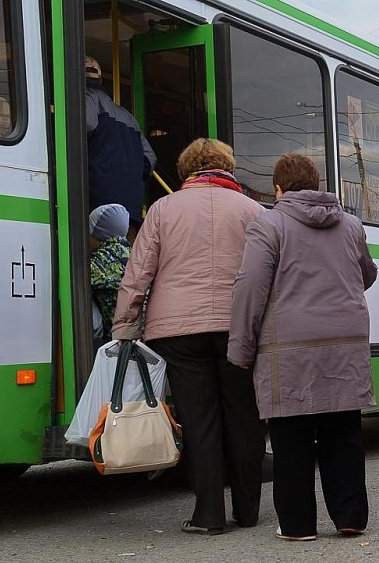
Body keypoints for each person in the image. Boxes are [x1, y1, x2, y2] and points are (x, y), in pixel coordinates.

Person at [112, 139, 267, 535]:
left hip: (179, 332)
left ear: (186, 171)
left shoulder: (164, 209)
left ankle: (208, 515)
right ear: (228, 166)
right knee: (245, 418)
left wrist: (126, 325)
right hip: (239, 329)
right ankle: (248, 511)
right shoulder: (253, 211)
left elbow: (138, 272)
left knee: (199, 422)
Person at [227, 154, 377, 541]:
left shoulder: (270, 223)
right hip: (344, 343)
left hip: (288, 347)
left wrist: (240, 350)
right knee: (343, 430)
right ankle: (350, 518)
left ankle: (297, 526)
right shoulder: (351, 225)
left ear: (278, 188)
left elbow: (250, 288)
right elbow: (367, 274)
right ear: (316, 184)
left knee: (291, 435)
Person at [85, 56, 157, 239]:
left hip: (99, 209)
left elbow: (84, 126)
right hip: (130, 210)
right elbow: (150, 158)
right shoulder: (127, 116)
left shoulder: (85, 100)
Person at [89, 204, 131, 340]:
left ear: (96, 234)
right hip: (146, 337)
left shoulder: (96, 263)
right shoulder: (138, 255)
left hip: (117, 341)